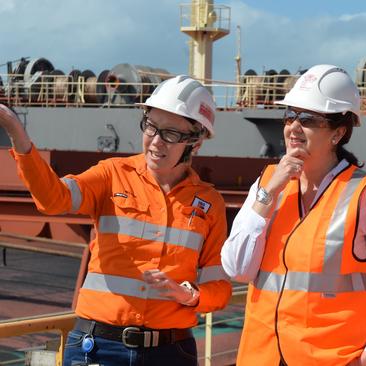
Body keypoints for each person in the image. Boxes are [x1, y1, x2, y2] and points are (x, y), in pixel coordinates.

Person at [0, 75, 232, 366]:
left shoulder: (209, 204)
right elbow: (53, 199)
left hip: (170, 352)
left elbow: (219, 289)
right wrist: (20, 140)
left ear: (195, 144)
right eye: (151, 126)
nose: (156, 141)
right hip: (98, 348)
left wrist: (186, 294)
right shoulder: (111, 175)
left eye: (171, 133)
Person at [221, 64, 366, 366]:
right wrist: (267, 194)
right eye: (290, 116)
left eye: (309, 119)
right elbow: (238, 269)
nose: (293, 127)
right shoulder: (269, 184)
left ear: (338, 132)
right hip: (260, 357)